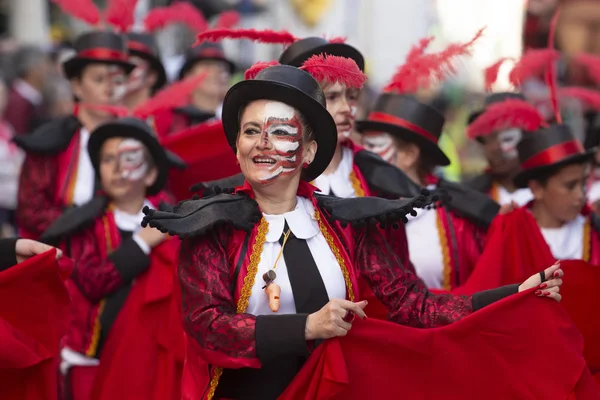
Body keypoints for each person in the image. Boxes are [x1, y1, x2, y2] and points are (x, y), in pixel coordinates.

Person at [141, 65, 562, 400]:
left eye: (281, 132)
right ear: (236, 146)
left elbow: (414, 305)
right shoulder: (212, 225)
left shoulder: (346, 223)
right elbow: (207, 327)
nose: (262, 144)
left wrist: (512, 295)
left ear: (307, 151)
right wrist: (307, 326)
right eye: (251, 131)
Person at [41, 117, 183, 400]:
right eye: (108, 160)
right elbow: (92, 282)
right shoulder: (84, 225)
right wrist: (141, 243)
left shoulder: (174, 221)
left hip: (150, 359)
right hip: (92, 358)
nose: (118, 169)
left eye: (129, 159)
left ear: (152, 173)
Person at [358, 92, 499, 290]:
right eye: (362, 145)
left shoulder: (462, 220)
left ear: (409, 155)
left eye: (373, 146)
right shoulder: (357, 206)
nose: (362, 155)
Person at [14, 30, 135, 239]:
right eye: (98, 79)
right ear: (77, 86)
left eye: (117, 80)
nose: (109, 89)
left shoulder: (139, 139)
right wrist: (87, 230)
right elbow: (31, 211)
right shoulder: (49, 143)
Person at [465, 92, 534, 206]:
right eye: (489, 138)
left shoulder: (552, 195)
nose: (494, 148)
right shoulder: (468, 198)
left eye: (506, 138)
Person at [155, 42, 235, 137]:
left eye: (222, 67)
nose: (218, 72)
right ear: (188, 77)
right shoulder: (169, 121)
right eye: (207, 66)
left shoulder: (239, 119)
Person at [3, 45, 50, 135]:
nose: (47, 70)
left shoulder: (32, 98)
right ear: (32, 70)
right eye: (43, 65)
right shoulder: (17, 102)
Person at [123, 32, 168, 110]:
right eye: (119, 66)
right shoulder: (102, 117)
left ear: (152, 76)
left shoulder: (170, 119)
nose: (122, 72)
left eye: (131, 66)